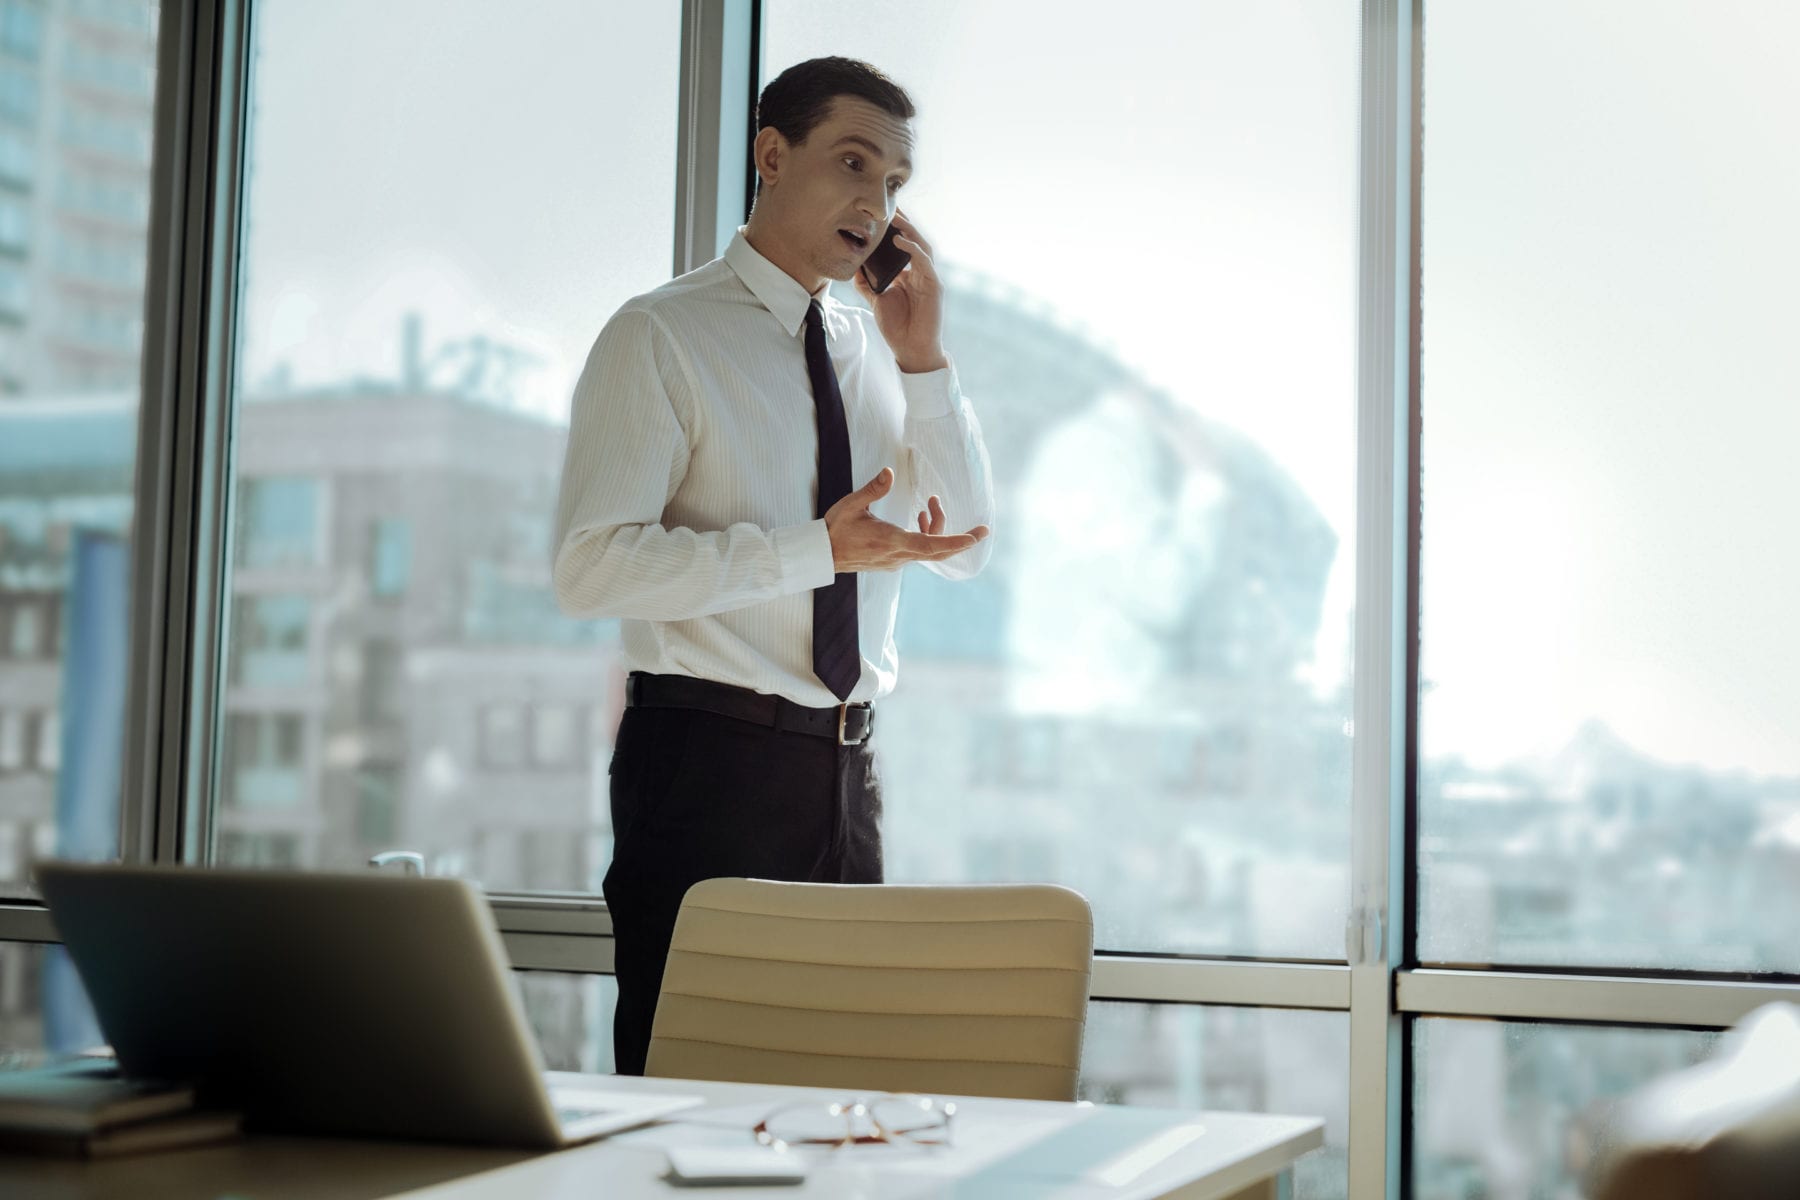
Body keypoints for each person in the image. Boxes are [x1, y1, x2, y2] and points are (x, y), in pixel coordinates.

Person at [551, 56, 994, 1075]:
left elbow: (963, 547)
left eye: (895, 184)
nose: (876, 203)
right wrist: (814, 552)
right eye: (853, 163)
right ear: (770, 155)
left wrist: (924, 359)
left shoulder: (876, 351)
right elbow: (590, 569)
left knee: (842, 1093)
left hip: (848, 768)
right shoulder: (660, 336)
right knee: (694, 1088)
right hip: (706, 758)